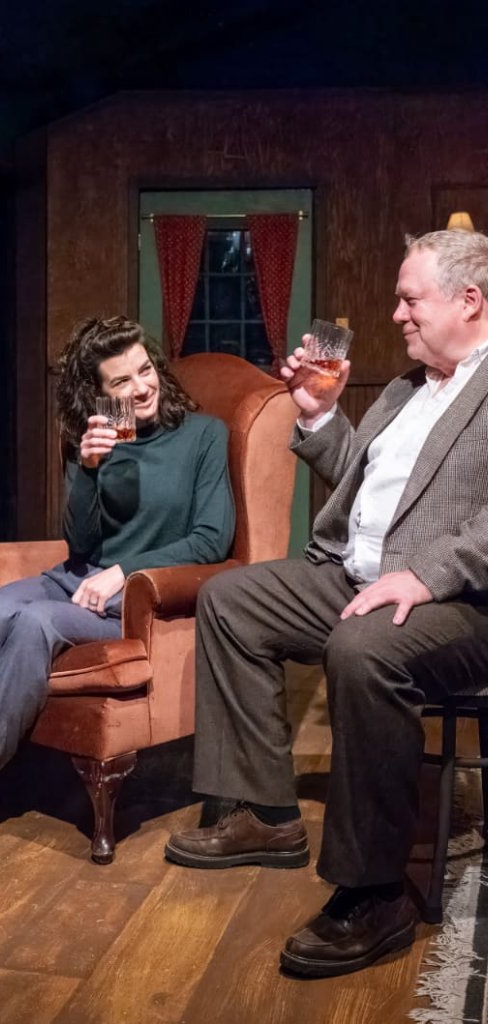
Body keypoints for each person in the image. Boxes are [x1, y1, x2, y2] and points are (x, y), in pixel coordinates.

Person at [164, 228, 488, 978]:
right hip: (354, 576)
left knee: (363, 649)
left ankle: (374, 892)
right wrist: (316, 414)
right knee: (234, 598)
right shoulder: (408, 390)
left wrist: (427, 575)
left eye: (411, 299)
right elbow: (363, 488)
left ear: (469, 301)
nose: (397, 313)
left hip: (462, 601)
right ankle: (267, 815)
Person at [0, 315, 235, 865]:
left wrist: (124, 570)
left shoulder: (204, 436)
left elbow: (211, 539)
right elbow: (79, 539)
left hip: (129, 600)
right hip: (71, 578)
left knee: (35, 624)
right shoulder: (98, 440)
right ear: (99, 394)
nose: (141, 387)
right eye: (121, 382)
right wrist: (85, 469)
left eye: (145, 369)